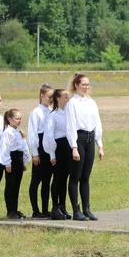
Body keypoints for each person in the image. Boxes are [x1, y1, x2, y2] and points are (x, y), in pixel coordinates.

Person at [66, 73, 104, 221]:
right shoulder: (72, 103)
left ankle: (87, 208)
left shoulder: (91, 102)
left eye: (88, 85)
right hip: (79, 139)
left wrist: (99, 144)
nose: (86, 87)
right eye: (83, 85)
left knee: (86, 176)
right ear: (76, 86)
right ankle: (76, 210)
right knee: (75, 175)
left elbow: (97, 123)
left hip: (90, 138)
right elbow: (70, 126)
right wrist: (74, 147)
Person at [0, 109, 31, 219]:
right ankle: (10, 210)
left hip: (19, 160)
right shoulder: (7, 132)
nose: (19, 121)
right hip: (12, 159)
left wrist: (24, 161)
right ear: (9, 119)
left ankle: (15, 210)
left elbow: (23, 147)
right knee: (10, 185)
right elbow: (5, 149)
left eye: (20, 119)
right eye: (17, 119)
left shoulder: (18, 132)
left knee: (16, 186)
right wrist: (7, 164)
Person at [43, 89, 72, 220]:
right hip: (58, 147)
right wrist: (52, 155)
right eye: (66, 97)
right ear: (58, 99)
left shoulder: (70, 113)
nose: (68, 99)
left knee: (64, 178)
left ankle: (62, 205)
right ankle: (55, 207)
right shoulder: (53, 115)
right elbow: (49, 136)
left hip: (68, 146)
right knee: (58, 178)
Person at [27, 84, 54, 219]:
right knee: (36, 180)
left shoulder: (51, 111)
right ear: (42, 96)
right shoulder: (36, 112)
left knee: (47, 180)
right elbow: (32, 134)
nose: (51, 99)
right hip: (40, 147)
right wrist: (35, 153)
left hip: (49, 148)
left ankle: (45, 209)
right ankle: (35, 210)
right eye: (49, 97)